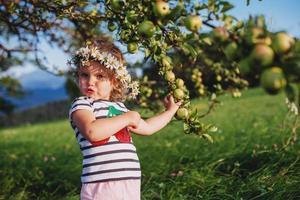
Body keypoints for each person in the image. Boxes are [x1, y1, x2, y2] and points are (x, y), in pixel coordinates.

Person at [68, 39, 182, 200]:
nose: (90, 81)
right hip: (101, 184)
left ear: (114, 81)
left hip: (129, 181)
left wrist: (170, 111)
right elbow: (92, 131)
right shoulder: (82, 104)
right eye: (84, 75)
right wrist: (128, 118)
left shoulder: (119, 108)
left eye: (100, 76)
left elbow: (148, 127)